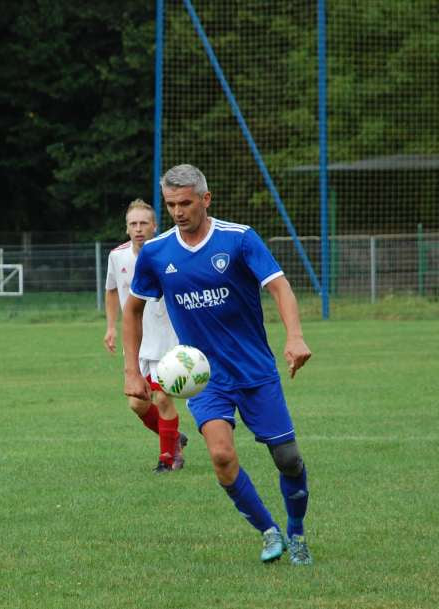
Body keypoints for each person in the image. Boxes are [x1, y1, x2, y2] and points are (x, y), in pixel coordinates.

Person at [123, 164, 313, 565]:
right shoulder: (157, 253)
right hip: (204, 377)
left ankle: (296, 531)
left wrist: (294, 336)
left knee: (288, 459)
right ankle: (269, 531)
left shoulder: (239, 239)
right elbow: (132, 311)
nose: (178, 211)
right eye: (171, 204)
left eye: (186, 203)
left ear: (205, 199)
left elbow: (279, 286)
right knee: (222, 457)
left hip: (255, 370)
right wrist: (130, 370)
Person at [105, 199, 187, 473]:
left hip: (167, 338)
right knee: (137, 403)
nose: (138, 229)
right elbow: (111, 290)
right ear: (127, 228)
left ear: (154, 226)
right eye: (133, 224)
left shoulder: (169, 252)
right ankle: (174, 437)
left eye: (143, 223)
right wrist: (111, 327)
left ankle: (167, 458)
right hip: (137, 343)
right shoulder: (117, 257)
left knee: (163, 398)